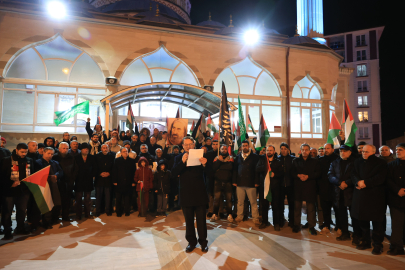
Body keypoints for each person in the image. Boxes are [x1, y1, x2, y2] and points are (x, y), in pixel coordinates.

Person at [172, 136, 209, 253]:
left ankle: (203, 242)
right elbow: (173, 173)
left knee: (201, 220)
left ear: (194, 145)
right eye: (186, 145)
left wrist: (205, 165)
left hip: (200, 194)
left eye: (190, 144)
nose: (188, 147)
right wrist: (182, 162)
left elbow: (210, 174)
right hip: (186, 194)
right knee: (189, 221)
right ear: (182, 146)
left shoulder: (202, 156)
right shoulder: (178, 157)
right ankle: (191, 242)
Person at [351, 144, 387, 255]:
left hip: (375, 197)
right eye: (363, 151)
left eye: (366, 152)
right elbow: (353, 174)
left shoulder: (381, 163)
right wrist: (357, 182)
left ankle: (377, 244)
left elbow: (381, 178)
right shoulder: (357, 162)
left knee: (377, 223)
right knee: (363, 221)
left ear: (373, 152)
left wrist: (365, 183)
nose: (364, 153)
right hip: (360, 196)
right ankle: (365, 241)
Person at [328, 144, 361, 244]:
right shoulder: (334, 162)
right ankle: (345, 233)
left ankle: (356, 235)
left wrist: (347, 183)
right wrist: (339, 183)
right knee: (341, 214)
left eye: (345, 151)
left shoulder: (355, 162)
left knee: (354, 215)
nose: (342, 152)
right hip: (339, 192)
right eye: (341, 151)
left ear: (350, 152)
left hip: (351, 192)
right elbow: (330, 175)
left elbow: (357, 175)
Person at [0, 143, 34, 240]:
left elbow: (32, 174)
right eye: (22, 152)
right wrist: (10, 183)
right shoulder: (6, 160)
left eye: (25, 152)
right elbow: (2, 176)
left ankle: (20, 228)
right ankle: (7, 231)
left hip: (24, 191)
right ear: (16, 150)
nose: (24, 154)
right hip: (9, 191)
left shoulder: (29, 160)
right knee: (7, 212)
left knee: (22, 211)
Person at [291, 143, 320, 235]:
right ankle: (296, 225)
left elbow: (318, 173)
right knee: (297, 208)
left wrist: (308, 176)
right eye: (303, 149)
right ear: (300, 151)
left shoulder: (315, 161)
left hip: (310, 186)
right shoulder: (295, 160)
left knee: (311, 208)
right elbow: (291, 172)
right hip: (298, 187)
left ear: (309, 151)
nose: (304, 151)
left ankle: (311, 226)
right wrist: (298, 175)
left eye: (306, 149)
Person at [32, 147, 63, 229]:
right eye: (48, 153)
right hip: (42, 187)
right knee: (44, 204)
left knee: (53, 203)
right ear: (43, 153)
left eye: (52, 154)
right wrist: (47, 176)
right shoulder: (37, 162)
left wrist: (56, 175)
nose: (50, 155)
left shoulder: (55, 162)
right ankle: (41, 222)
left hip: (53, 186)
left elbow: (61, 171)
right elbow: (36, 174)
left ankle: (50, 220)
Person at [233, 140, 261, 225]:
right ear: (241, 147)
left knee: (253, 202)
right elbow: (235, 170)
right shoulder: (238, 157)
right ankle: (239, 216)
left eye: (246, 145)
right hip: (240, 183)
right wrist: (234, 181)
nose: (244, 147)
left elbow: (257, 171)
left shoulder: (255, 157)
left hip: (251, 183)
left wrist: (256, 181)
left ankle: (255, 218)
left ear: (249, 146)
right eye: (243, 145)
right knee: (240, 202)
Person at [257, 145, 283, 230]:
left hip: (275, 187)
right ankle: (264, 222)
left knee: (275, 206)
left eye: (271, 150)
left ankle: (276, 223)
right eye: (268, 150)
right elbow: (257, 169)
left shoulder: (278, 161)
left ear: (274, 152)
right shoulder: (262, 160)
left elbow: (281, 173)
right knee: (264, 206)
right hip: (264, 187)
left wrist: (275, 174)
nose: (269, 152)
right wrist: (266, 167)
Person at [386, 143, 405, 255]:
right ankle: (397, 246)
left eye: (400, 150)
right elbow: (388, 180)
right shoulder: (391, 165)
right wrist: (397, 190)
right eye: (396, 150)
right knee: (396, 224)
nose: (397, 151)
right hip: (395, 199)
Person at [52, 142, 78, 222]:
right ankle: (55, 217)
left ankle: (65, 216)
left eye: (67, 148)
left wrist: (72, 180)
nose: (65, 150)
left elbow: (75, 170)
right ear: (59, 149)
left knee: (67, 201)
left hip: (68, 183)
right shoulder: (54, 157)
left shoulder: (71, 157)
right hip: (57, 183)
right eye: (63, 148)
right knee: (56, 201)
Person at [318, 143, 339, 232]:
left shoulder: (337, 159)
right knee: (325, 209)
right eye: (325, 148)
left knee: (337, 209)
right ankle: (326, 225)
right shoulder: (320, 160)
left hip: (335, 188)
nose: (326, 150)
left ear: (333, 149)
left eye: (328, 148)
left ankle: (338, 226)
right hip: (324, 188)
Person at [211, 144, 234, 222]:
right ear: (219, 150)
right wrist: (219, 161)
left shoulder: (231, 158)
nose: (224, 150)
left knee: (229, 200)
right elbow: (213, 168)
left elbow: (230, 167)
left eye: (225, 149)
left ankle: (229, 215)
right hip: (218, 182)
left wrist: (220, 166)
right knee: (216, 199)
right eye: (222, 149)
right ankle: (215, 214)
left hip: (228, 182)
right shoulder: (216, 158)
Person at [74, 143, 96, 220]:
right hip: (79, 181)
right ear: (81, 150)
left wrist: (91, 175)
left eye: (87, 149)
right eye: (84, 149)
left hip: (88, 181)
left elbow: (94, 168)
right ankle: (78, 215)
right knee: (78, 199)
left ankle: (88, 213)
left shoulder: (92, 157)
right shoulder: (76, 158)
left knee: (88, 199)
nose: (86, 150)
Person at [113, 148, 136, 217]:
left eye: (126, 151)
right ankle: (119, 212)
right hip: (119, 182)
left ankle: (127, 211)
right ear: (121, 153)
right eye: (124, 152)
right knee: (118, 198)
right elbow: (114, 171)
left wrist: (133, 181)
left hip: (128, 182)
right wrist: (114, 181)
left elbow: (134, 172)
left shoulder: (132, 161)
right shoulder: (117, 160)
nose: (125, 153)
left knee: (127, 198)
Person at [95, 144, 115, 217]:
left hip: (108, 179)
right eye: (104, 148)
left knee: (108, 197)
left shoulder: (112, 157)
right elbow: (95, 167)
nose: (105, 149)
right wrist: (100, 173)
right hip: (99, 179)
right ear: (101, 148)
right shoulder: (97, 156)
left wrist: (109, 173)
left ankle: (108, 210)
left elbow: (113, 167)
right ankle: (98, 211)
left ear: (109, 148)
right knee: (98, 197)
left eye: (106, 148)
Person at [278, 143, 295, 227]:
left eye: (285, 148)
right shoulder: (277, 159)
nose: (283, 150)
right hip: (280, 186)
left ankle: (291, 221)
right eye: (281, 148)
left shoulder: (293, 159)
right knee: (280, 204)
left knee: (292, 204)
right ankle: (281, 220)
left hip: (290, 185)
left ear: (288, 149)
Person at [204, 139, 219, 218]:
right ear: (212, 145)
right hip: (210, 176)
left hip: (219, 177)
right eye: (214, 144)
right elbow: (206, 165)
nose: (215, 145)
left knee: (218, 194)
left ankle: (219, 211)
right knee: (210, 194)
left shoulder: (221, 153)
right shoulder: (208, 154)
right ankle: (210, 210)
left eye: (217, 144)